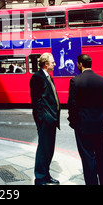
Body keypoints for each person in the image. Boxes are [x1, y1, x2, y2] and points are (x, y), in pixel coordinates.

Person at [68, 54, 103, 185]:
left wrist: (74, 123)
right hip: (100, 125)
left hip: (84, 127)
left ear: (80, 64)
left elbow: (72, 105)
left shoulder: (75, 81)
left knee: (88, 158)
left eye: (77, 64)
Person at [30, 53, 60, 185]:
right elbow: (36, 101)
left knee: (49, 149)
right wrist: (42, 118)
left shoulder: (48, 77)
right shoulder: (37, 77)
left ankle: (46, 175)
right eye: (52, 62)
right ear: (46, 64)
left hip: (52, 119)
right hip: (45, 120)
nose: (55, 64)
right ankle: (40, 178)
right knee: (43, 149)